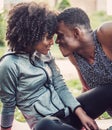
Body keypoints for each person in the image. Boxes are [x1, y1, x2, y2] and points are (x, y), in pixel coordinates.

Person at [0, 2, 99, 130]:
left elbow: (60, 85)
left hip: (67, 114)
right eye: (48, 37)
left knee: (107, 90)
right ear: (31, 36)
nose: (52, 42)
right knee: (46, 123)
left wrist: (81, 114)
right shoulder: (9, 65)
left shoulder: (43, 54)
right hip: (47, 125)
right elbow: (8, 105)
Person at [56, 6, 112, 127]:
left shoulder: (105, 33)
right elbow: (87, 89)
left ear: (76, 33)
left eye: (60, 35)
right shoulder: (74, 56)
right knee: (51, 123)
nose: (57, 41)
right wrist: (83, 117)